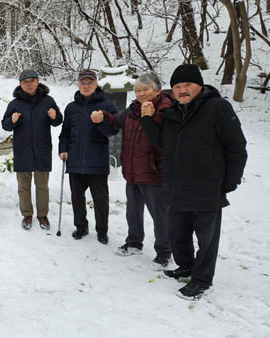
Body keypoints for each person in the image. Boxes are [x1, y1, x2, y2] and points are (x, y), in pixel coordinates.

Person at [139, 64, 247, 300]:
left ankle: (201, 280)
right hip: (176, 187)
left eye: (187, 85)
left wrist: (229, 182)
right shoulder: (172, 112)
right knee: (177, 233)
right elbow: (161, 143)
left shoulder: (217, 107)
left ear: (199, 85)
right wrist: (147, 119)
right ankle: (186, 267)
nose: (182, 90)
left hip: (207, 188)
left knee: (207, 239)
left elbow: (236, 146)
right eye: (177, 86)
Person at [92, 74, 173, 269]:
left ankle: (164, 251)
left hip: (155, 173)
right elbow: (114, 122)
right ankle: (134, 242)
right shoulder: (131, 111)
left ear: (157, 91)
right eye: (138, 90)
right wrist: (102, 118)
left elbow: (165, 139)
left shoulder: (166, 110)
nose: (141, 93)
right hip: (133, 171)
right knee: (133, 211)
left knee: (160, 215)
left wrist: (152, 115)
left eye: (146, 90)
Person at [58, 69, 117, 244]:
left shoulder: (106, 105)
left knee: (100, 199)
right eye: (82, 82)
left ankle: (102, 230)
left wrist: (101, 122)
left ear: (96, 84)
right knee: (77, 197)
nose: (86, 85)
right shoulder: (71, 107)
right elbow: (65, 133)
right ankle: (81, 226)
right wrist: (62, 148)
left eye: (89, 82)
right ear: (78, 84)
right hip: (75, 160)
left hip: (96, 160)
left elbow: (113, 131)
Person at [1, 69, 63, 230]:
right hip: (22, 150)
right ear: (20, 85)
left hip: (42, 149)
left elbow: (58, 121)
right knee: (24, 186)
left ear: (38, 81)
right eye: (25, 82)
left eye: (32, 80)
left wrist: (54, 116)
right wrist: (12, 120)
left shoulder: (48, 100)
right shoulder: (14, 104)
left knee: (42, 186)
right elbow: (5, 125)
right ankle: (27, 214)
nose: (29, 84)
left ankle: (43, 215)